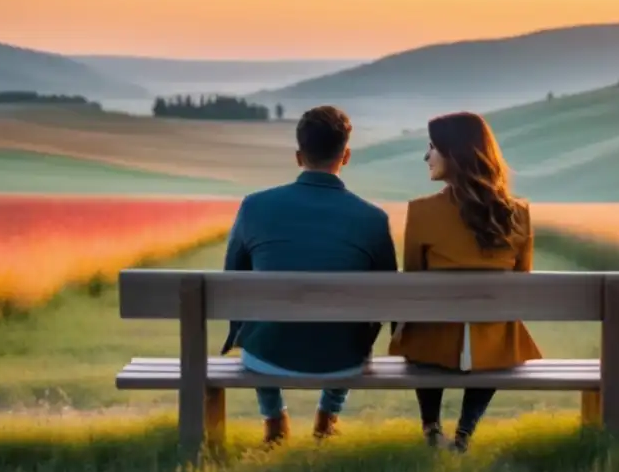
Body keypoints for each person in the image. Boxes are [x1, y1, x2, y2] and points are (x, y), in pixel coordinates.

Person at [220, 105, 398, 445]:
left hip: (266, 358)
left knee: (261, 320)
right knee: (354, 321)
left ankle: (273, 417)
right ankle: (328, 416)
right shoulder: (373, 218)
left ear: (299, 156)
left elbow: (233, 280)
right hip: (343, 360)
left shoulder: (254, 206)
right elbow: (384, 299)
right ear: (345, 156)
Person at [389, 111, 542, 452]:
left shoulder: (421, 211)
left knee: (421, 325)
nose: (426, 156)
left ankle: (430, 426)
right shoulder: (518, 212)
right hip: (494, 348)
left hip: (432, 347)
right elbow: (522, 281)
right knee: (498, 330)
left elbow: (411, 284)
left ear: (454, 153)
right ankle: (464, 434)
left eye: (432, 147)